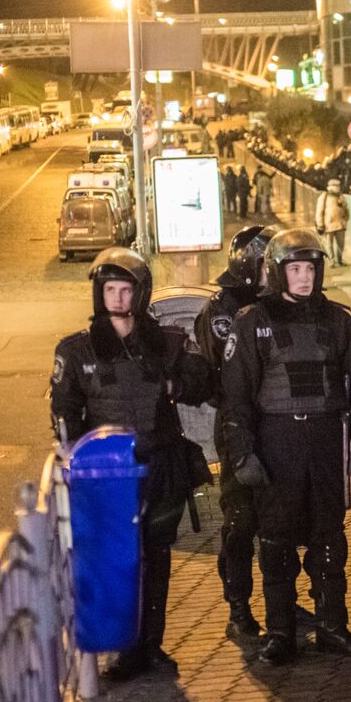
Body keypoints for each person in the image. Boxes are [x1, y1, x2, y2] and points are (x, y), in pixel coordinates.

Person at [220, 228, 351, 665]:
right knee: (275, 542)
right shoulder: (252, 321)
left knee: (329, 538)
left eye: (309, 268)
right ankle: (280, 634)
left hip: (326, 439)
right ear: (277, 272)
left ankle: (333, 628)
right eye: (294, 269)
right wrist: (243, 455)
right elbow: (236, 397)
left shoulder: (337, 319)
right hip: (279, 441)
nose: (304, 277)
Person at [51, 248, 213, 679]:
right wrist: (73, 462)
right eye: (110, 290)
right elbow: (64, 412)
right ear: (98, 294)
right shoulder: (76, 350)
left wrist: (181, 378)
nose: (118, 299)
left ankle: (149, 646)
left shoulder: (167, 342)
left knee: (156, 558)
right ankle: (119, 646)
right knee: (116, 560)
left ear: (139, 295)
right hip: (108, 478)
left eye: (126, 290)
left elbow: (204, 383)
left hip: (159, 467)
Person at [194, 225, 280, 642]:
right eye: (268, 265)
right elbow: (234, 373)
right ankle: (239, 606)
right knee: (241, 521)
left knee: (280, 521)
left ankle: (280, 600)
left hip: (279, 426)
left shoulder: (278, 303)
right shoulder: (224, 307)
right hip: (237, 426)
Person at [315, 178, 351, 268]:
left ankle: (340, 260)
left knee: (341, 244)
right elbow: (319, 211)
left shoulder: (341, 197)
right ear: (330, 187)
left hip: (340, 225)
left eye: (338, 186)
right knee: (329, 245)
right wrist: (320, 224)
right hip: (328, 225)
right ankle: (332, 261)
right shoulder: (324, 196)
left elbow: (346, 210)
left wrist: (345, 220)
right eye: (336, 186)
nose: (338, 188)